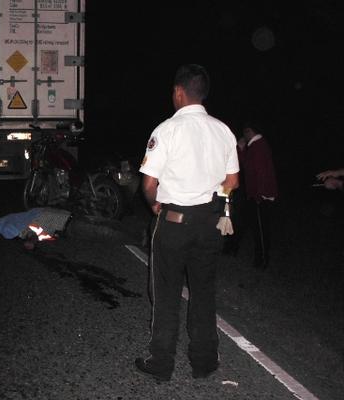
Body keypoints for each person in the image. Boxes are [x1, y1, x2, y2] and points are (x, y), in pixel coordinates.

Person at [136, 64, 240, 382]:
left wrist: (155, 203)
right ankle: (204, 362)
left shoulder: (166, 130)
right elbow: (232, 181)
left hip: (174, 222)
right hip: (210, 224)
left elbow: (149, 182)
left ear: (179, 92)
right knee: (204, 292)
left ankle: (161, 363)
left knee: (166, 294)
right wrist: (213, 202)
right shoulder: (223, 130)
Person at [237, 122, 278, 268]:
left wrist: (259, 195)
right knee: (251, 225)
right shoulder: (256, 146)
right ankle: (256, 258)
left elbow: (260, 172)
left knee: (260, 229)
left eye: (245, 133)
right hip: (256, 195)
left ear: (249, 131)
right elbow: (248, 166)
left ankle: (262, 261)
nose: (243, 137)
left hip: (260, 197)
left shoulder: (258, 146)